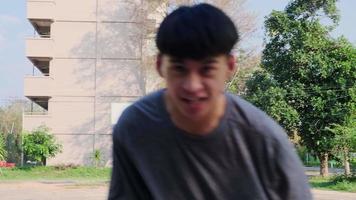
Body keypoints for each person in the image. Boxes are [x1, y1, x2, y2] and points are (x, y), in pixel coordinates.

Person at [108, 3, 312, 200]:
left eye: (207, 69)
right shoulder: (135, 128)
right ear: (160, 65)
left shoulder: (265, 140)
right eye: (179, 69)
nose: (192, 85)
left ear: (230, 67)